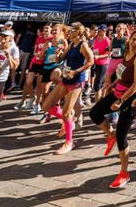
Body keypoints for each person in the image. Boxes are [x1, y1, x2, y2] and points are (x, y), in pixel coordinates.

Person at [89, 29, 136, 188]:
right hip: (119, 92)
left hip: (131, 98)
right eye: (134, 39)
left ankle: (124, 173)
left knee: (123, 137)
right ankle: (110, 134)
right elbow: (121, 74)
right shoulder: (127, 53)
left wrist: (120, 101)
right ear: (129, 40)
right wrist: (112, 85)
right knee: (94, 113)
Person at [37, 24, 94, 154]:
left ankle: (69, 142)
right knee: (46, 106)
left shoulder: (83, 45)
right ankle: (68, 119)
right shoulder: (71, 44)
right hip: (66, 79)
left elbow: (91, 61)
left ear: (78, 32)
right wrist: (58, 53)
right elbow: (59, 60)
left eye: (70, 31)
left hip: (77, 82)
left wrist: (76, 71)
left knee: (66, 113)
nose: (67, 33)